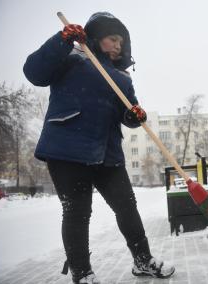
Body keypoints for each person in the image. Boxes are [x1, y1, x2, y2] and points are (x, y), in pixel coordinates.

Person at [23, 12, 175, 284]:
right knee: (77, 211)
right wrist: (61, 40)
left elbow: (127, 113)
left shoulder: (121, 77)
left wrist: (134, 115)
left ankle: (143, 260)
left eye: (121, 42)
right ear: (96, 36)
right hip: (68, 149)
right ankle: (82, 274)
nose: (118, 45)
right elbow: (34, 72)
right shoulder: (70, 57)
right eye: (112, 39)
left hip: (107, 154)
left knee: (127, 207)